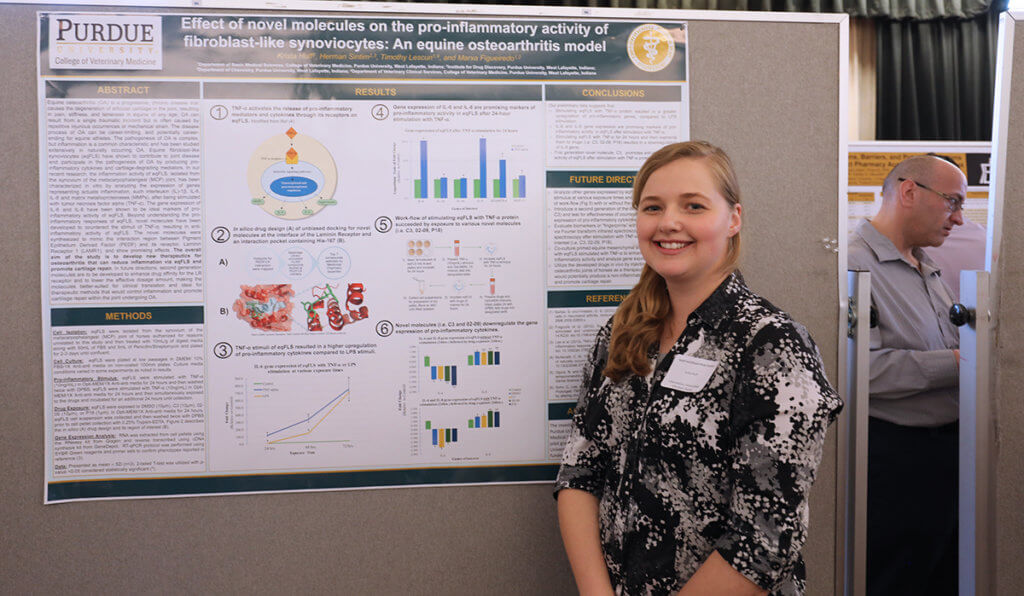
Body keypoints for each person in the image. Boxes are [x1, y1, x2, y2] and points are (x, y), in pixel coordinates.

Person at [555, 141, 842, 595]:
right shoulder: (624, 332)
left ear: (733, 219)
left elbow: (767, 537)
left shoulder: (770, 344)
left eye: (693, 205)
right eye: (653, 207)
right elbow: (580, 470)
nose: (669, 222)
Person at [847, 154, 965, 595]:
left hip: (944, 455)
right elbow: (863, 371)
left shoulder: (926, 268)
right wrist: (957, 363)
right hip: (896, 460)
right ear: (910, 191)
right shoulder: (854, 265)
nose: (958, 218)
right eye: (952, 201)